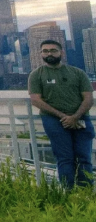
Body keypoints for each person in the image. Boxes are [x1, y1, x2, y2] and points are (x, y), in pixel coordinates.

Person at [28, 39, 93, 189]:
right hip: (53, 121)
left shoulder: (77, 73)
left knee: (84, 158)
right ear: (40, 54)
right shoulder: (36, 75)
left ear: (61, 53)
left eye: (53, 50)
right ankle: (68, 192)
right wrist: (63, 117)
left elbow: (88, 98)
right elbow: (36, 100)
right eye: (45, 51)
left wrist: (75, 117)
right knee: (65, 158)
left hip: (81, 119)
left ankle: (86, 193)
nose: (49, 53)